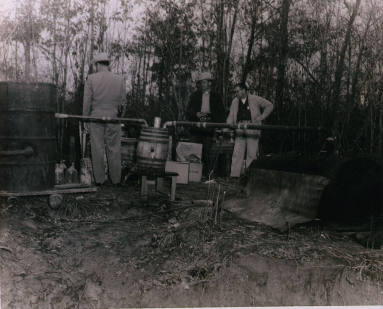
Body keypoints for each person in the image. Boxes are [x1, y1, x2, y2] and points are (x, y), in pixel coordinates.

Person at [83, 52, 127, 186]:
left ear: (97, 65)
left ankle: (100, 180)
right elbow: (123, 103)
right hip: (113, 117)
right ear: (107, 64)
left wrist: (85, 119)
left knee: (97, 148)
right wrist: (120, 117)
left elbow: (87, 102)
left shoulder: (91, 79)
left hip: (96, 118)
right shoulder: (119, 79)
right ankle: (116, 180)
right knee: (114, 148)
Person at [226, 83, 274, 177]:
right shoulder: (235, 101)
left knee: (252, 154)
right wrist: (227, 127)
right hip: (239, 127)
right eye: (235, 92)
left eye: (237, 91)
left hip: (252, 127)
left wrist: (261, 117)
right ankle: (235, 176)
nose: (236, 93)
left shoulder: (255, 99)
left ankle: (250, 177)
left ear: (244, 90)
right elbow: (231, 116)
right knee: (237, 152)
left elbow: (270, 105)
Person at [185, 71, 226, 176]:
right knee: (193, 152)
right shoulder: (195, 96)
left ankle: (205, 176)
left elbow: (220, 114)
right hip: (196, 129)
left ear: (209, 83)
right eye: (201, 83)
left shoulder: (216, 97)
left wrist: (205, 116)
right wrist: (196, 114)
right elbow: (188, 112)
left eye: (204, 82)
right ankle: (191, 175)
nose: (202, 85)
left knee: (207, 153)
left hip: (208, 129)